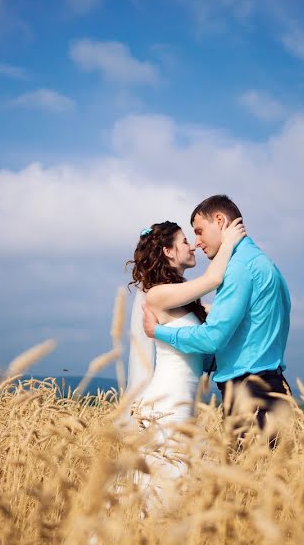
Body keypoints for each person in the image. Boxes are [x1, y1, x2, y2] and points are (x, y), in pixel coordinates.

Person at [142, 194, 291, 442]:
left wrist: (158, 332)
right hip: (269, 386)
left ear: (220, 220)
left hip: (249, 391)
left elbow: (213, 338)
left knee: (250, 475)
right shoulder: (263, 263)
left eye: (199, 232)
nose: (197, 243)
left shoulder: (239, 268)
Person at [125, 217, 246, 509]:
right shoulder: (157, 294)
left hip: (184, 403)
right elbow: (213, 280)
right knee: (165, 489)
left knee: (177, 488)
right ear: (168, 251)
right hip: (167, 405)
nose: (192, 246)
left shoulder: (183, 298)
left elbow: (218, 322)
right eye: (184, 241)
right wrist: (228, 241)